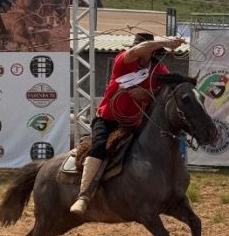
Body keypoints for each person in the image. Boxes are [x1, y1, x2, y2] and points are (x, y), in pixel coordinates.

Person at [69, 32, 185, 215]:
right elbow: (138, 49)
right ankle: (83, 196)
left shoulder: (159, 70)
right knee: (99, 147)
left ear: (152, 52)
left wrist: (146, 93)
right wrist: (167, 42)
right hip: (107, 119)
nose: (138, 52)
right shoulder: (124, 60)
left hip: (136, 123)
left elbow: (166, 92)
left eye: (145, 49)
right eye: (139, 48)